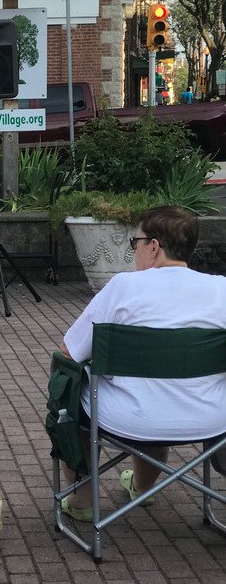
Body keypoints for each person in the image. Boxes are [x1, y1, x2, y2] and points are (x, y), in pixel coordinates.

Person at [56, 205, 226, 521]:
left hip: (128, 417)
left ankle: (81, 501)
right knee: (160, 393)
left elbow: (68, 352)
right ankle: (141, 487)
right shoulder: (221, 289)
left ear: (154, 246)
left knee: (69, 391)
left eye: (136, 243)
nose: (134, 251)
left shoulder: (123, 287)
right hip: (210, 418)